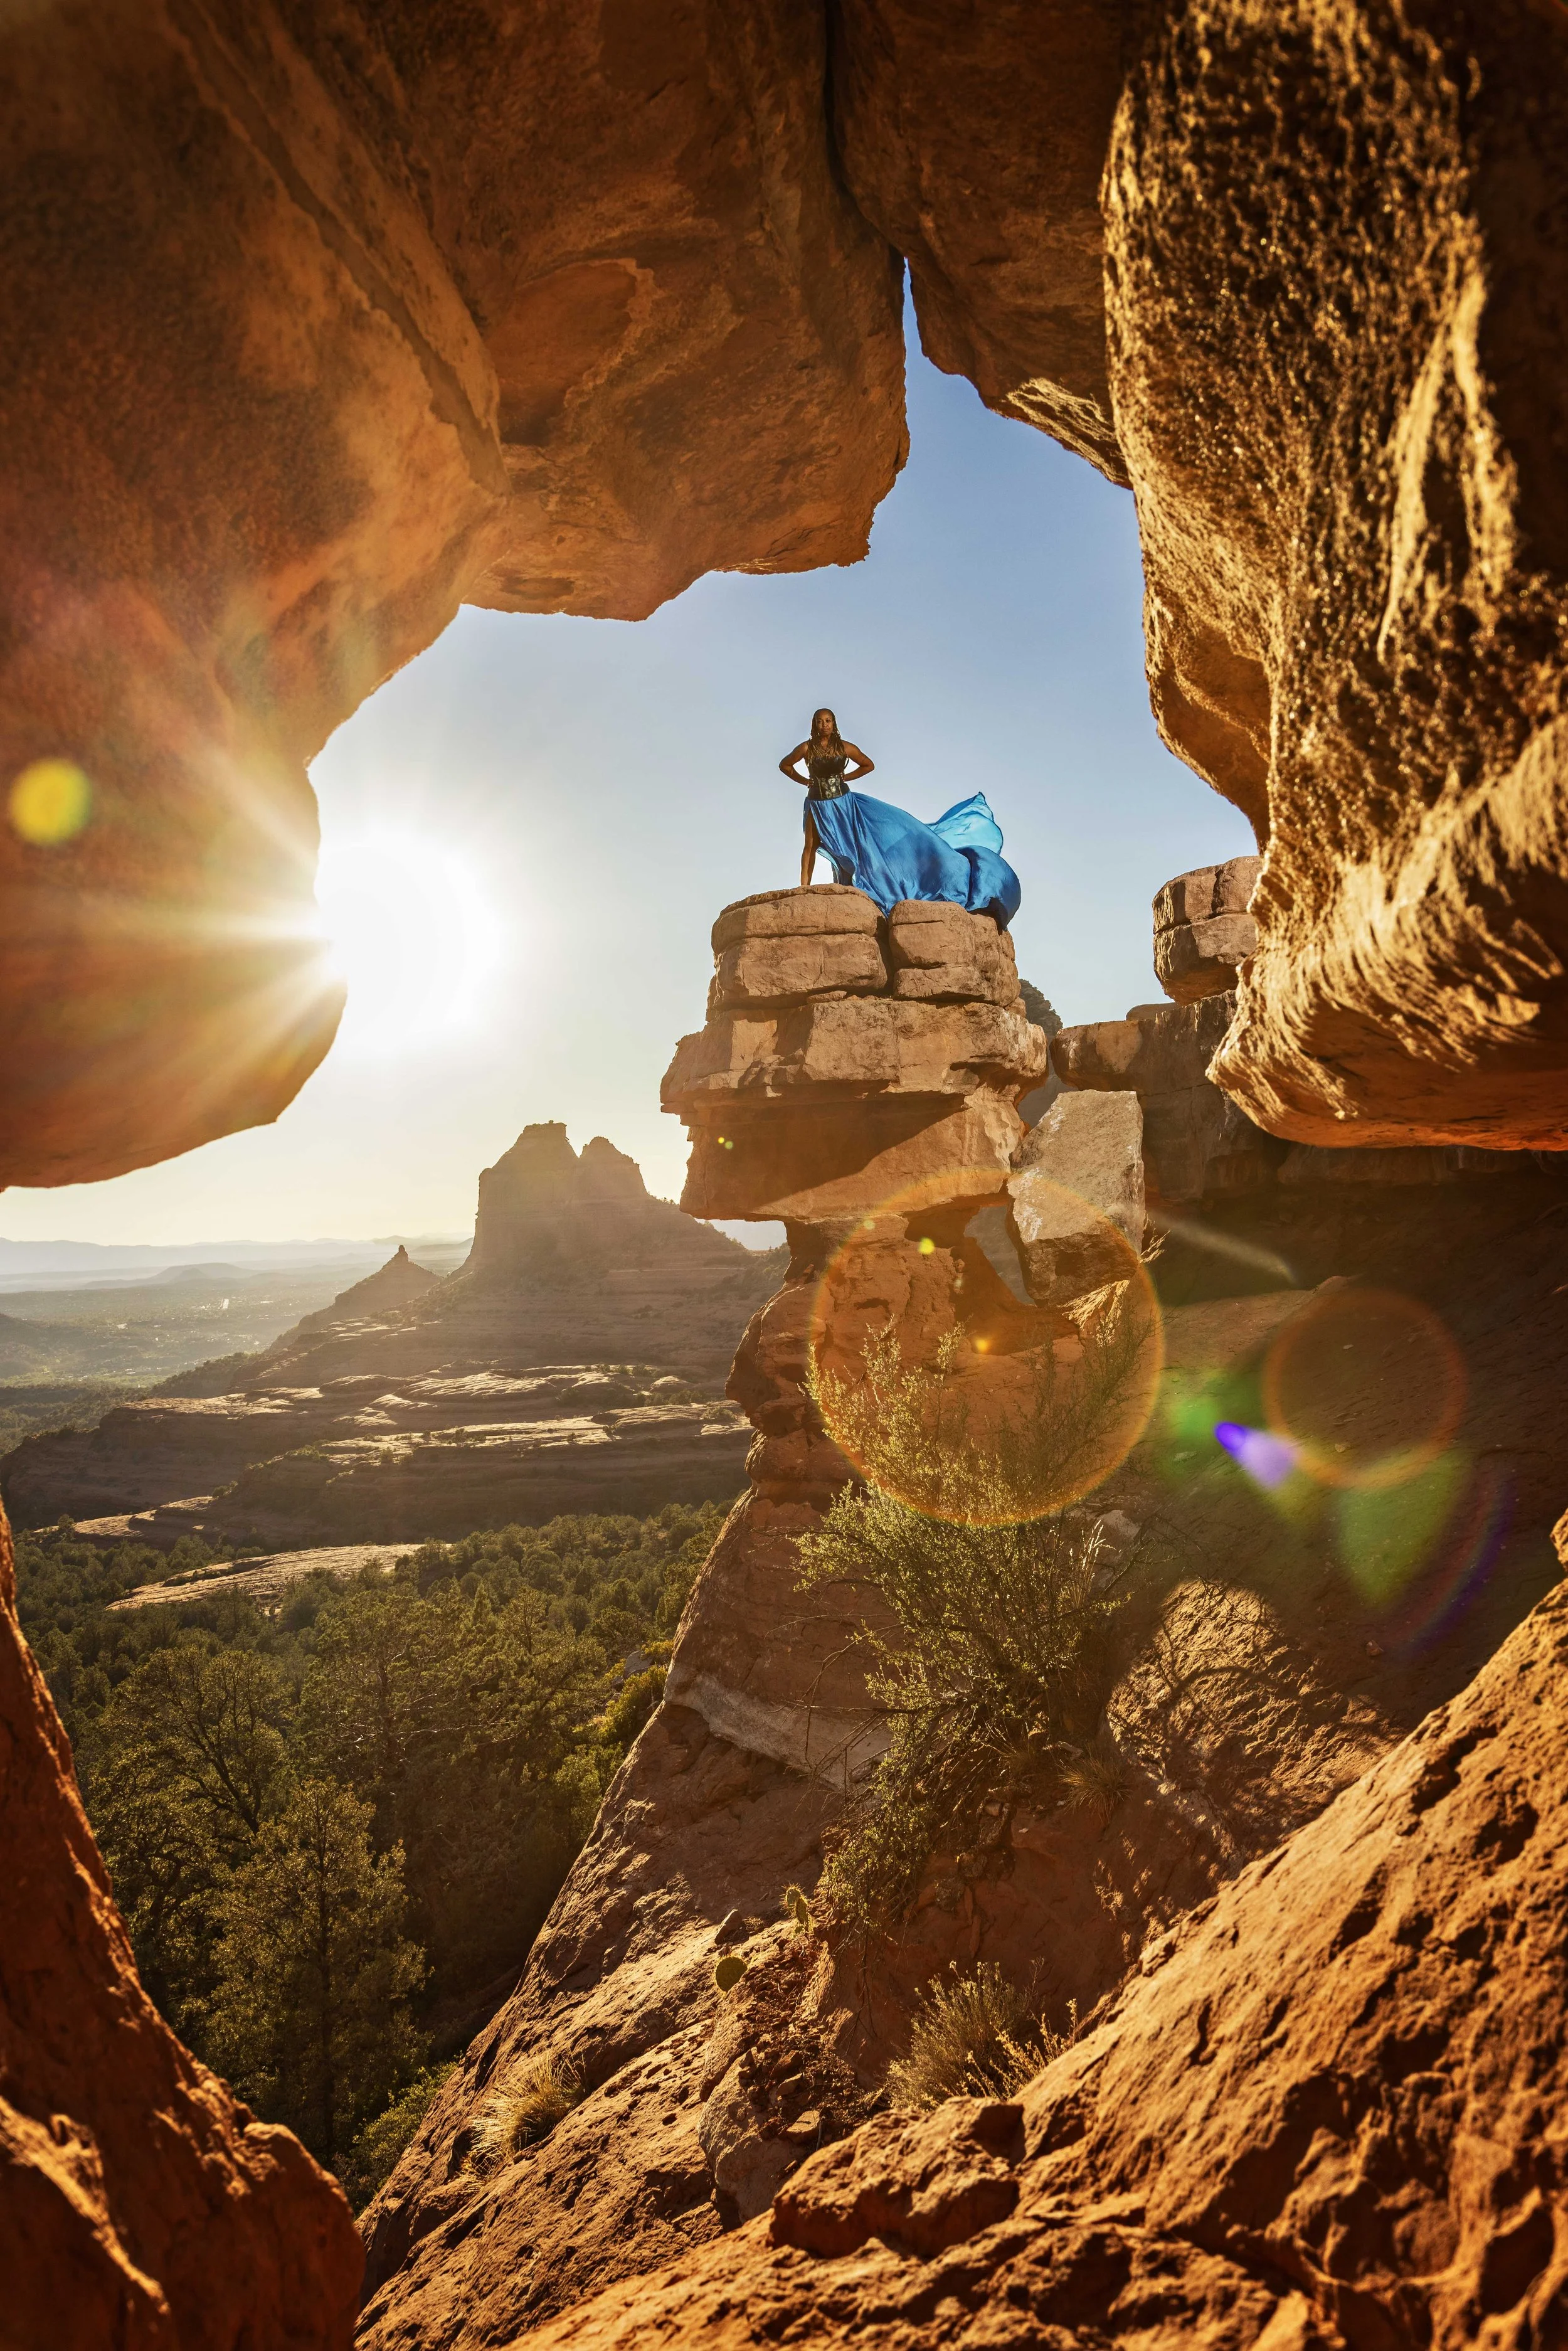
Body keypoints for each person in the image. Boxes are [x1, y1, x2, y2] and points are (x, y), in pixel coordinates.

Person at [777, 708, 1022, 927]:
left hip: (843, 803)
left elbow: (868, 765)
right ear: (814, 724)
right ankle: (804, 889)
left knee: (856, 847)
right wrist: (805, 781)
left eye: (828, 721)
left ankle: (863, 883)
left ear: (834, 723)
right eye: (820, 721)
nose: (824, 725)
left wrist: (846, 778)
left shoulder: (845, 747)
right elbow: (785, 766)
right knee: (811, 845)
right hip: (816, 803)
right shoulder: (806, 749)